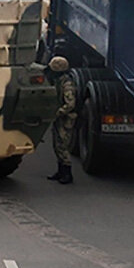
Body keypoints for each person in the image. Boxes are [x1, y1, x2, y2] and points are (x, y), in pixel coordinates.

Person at [47, 56, 77, 185]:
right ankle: (60, 171)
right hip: (60, 118)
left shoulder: (67, 84)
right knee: (57, 145)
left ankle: (67, 173)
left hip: (66, 119)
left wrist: (58, 113)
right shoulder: (60, 81)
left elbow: (70, 104)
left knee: (63, 146)